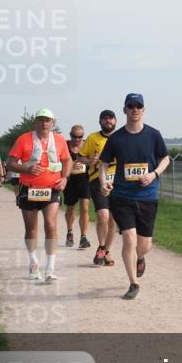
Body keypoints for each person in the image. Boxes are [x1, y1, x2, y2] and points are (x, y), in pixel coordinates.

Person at [97, 94, 170, 300]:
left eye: (139, 106)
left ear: (143, 110)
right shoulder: (116, 138)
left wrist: (153, 174)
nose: (135, 109)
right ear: (125, 110)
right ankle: (133, 283)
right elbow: (103, 164)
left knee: (144, 245)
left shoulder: (153, 135)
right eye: (131, 106)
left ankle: (140, 257)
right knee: (129, 238)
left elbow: (165, 158)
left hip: (147, 196)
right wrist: (104, 182)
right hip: (121, 196)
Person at [7, 109, 72, 282]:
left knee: (51, 225)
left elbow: (67, 160)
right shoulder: (24, 139)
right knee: (31, 229)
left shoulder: (59, 140)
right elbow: (10, 164)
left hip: (52, 189)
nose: (44, 123)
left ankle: (50, 268)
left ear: (53, 123)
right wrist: (26, 167)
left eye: (48, 120)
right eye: (41, 120)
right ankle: (33, 262)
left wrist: (65, 178)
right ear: (35, 122)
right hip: (29, 189)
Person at [79, 110, 119, 267]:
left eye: (110, 118)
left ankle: (105, 251)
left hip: (117, 183)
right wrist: (90, 161)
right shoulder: (93, 138)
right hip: (97, 181)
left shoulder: (121, 137)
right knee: (103, 216)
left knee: (113, 221)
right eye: (105, 119)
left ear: (115, 121)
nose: (108, 121)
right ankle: (102, 246)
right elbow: (80, 158)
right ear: (100, 121)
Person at [63, 124, 92, 249]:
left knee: (85, 209)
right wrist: (68, 168)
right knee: (70, 209)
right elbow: (58, 161)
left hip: (84, 180)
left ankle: (83, 237)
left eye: (80, 137)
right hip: (70, 182)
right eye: (75, 136)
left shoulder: (87, 145)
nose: (77, 139)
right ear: (70, 135)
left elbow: (92, 161)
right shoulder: (64, 145)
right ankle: (69, 232)